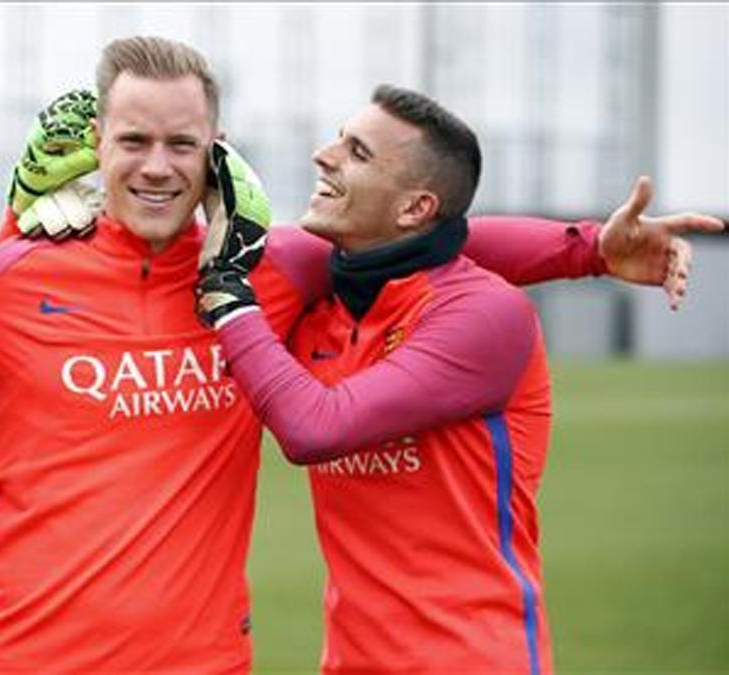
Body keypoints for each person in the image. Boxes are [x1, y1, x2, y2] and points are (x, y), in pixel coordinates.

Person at [0, 36, 720, 674]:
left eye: (182, 141)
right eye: (133, 140)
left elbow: (418, 233)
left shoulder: (269, 271)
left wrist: (584, 249)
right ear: (99, 148)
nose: (157, 163)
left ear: (210, 146)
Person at [194, 85, 720, 673]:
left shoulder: (486, 316)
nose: (324, 155)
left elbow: (314, 428)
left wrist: (229, 302)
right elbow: (444, 240)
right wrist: (588, 246)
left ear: (416, 207)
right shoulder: (327, 300)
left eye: (358, 152)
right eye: (339, 140)